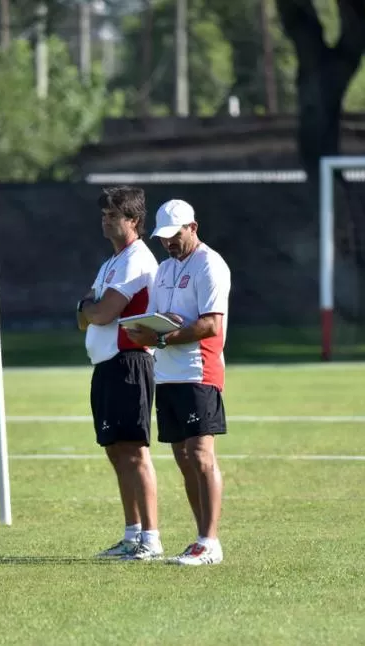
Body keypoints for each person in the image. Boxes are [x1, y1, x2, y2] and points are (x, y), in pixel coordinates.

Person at [124, 198, 231, 566]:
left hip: (198, 371)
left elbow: (210, 324)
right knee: (184, 458)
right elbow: (161, 317)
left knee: (202, 456)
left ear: (193, 228)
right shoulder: (165, 270)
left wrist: (162, 337)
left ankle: (210, 541)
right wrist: (148, 329)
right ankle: (200, 539)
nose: (169, 242)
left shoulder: (209, 264)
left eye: (175, 234)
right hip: (167, 373)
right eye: (163, 236)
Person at [77, 185, 163, 561]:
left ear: (134, 220)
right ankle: (131, 535)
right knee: (115, 450)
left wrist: (87, 305)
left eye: (114, 214)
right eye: (103, 214)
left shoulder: (135, 259)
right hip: (107, 365)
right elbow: (86, 319)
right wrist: (88, 308)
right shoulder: (111, 261)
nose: (106, 220)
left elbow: (101, 312)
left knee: (134, 452)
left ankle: (151, 537)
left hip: (129, 363)